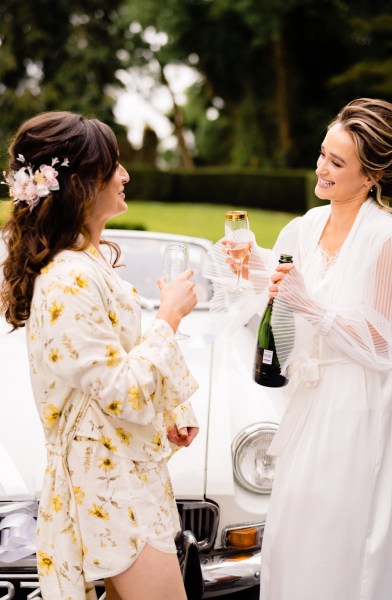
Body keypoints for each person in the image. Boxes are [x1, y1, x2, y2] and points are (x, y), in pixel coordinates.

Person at [0, 111, 199, 600]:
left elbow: (108, 371)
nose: (125, 176)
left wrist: (170, 410)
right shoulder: (68, 278)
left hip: (120, 473)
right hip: (107, 488)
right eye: (114, 167)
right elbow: (122, 391)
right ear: (81, 185)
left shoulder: (86, 261)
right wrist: (168, 318)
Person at [207, 97, 392, 599]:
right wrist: (246, 269)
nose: (322, 168)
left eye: (338, 163)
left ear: (371, 175)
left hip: (357, 407)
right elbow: (276, 313)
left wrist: (310, 304)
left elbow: (382, 346)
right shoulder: (303, 227)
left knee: (342, 537)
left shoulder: (387, 239)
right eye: (322, 155)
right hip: (307, 403)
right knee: (291, 533)